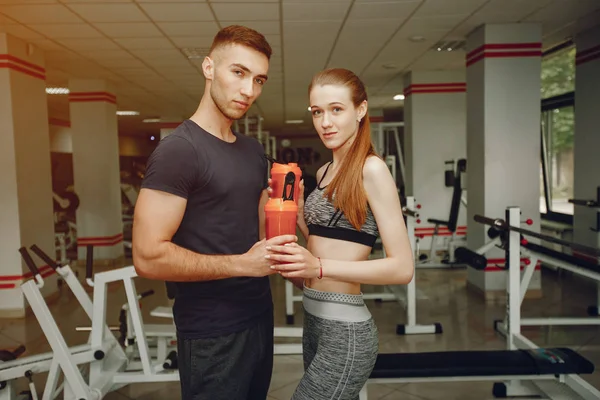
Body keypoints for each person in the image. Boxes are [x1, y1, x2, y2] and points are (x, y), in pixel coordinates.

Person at [131, 25, 296, 400]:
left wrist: (287, 214)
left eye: (259, 80)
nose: (248, 90)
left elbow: (252, 233)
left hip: (258, 316)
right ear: (209, 67)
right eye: (238, 73)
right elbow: (147, 256)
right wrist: (242, 265)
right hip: (211, 330)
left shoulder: (252, 151)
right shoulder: (179, 151)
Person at [266, 68, 415, 400]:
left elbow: (402, 268)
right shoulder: (324, 171)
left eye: (336, 109)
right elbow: (330, 243)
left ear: (360, 110)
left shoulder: (372, 169)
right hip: (314, 320)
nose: (325, 122)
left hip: (345, 330)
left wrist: (318, 267)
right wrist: (298, 216)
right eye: (317, 112)